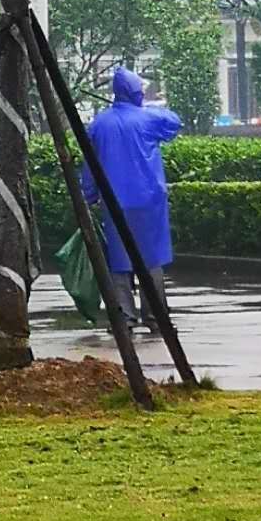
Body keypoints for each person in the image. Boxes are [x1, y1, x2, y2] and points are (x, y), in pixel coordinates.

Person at [80, 67, 182, 332]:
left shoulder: (99, 124)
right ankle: (156, 316)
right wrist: (146, 108)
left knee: (119, 258)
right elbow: (175, 122)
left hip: (115, 202)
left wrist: (89, 196)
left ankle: (124, 317)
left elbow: (90, 166)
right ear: (136, 92)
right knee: (151, 259)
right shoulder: (148, 119)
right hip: (150, 202)